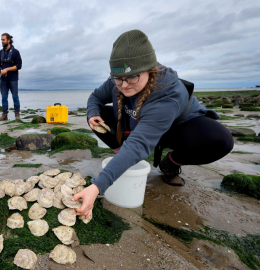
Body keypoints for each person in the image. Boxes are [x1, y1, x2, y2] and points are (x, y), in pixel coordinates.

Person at [74, 29, 233, 219]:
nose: (124, 85)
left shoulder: (167, 92)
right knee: (100, 117)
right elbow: (95, 97)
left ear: (149, 69)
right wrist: (92, 113)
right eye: (118, 79)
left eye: (132, 77)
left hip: (178, 129)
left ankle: (171, 163)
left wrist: (98, 185)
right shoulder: (119, 79)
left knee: (220, 140)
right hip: (137, 125)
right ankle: (125, 161)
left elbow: (140, 144)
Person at [0, 33, 23, 121]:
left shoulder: (16, 52)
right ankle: (4, 115)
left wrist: (7, 69)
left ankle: (17, 115)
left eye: (3, 40)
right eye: (1, 40)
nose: (2, 41)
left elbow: (19, 66)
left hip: (13, 79)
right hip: (3, 79)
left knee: (15, 97)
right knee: (4, 97)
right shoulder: (0, 52)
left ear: (8, 40)